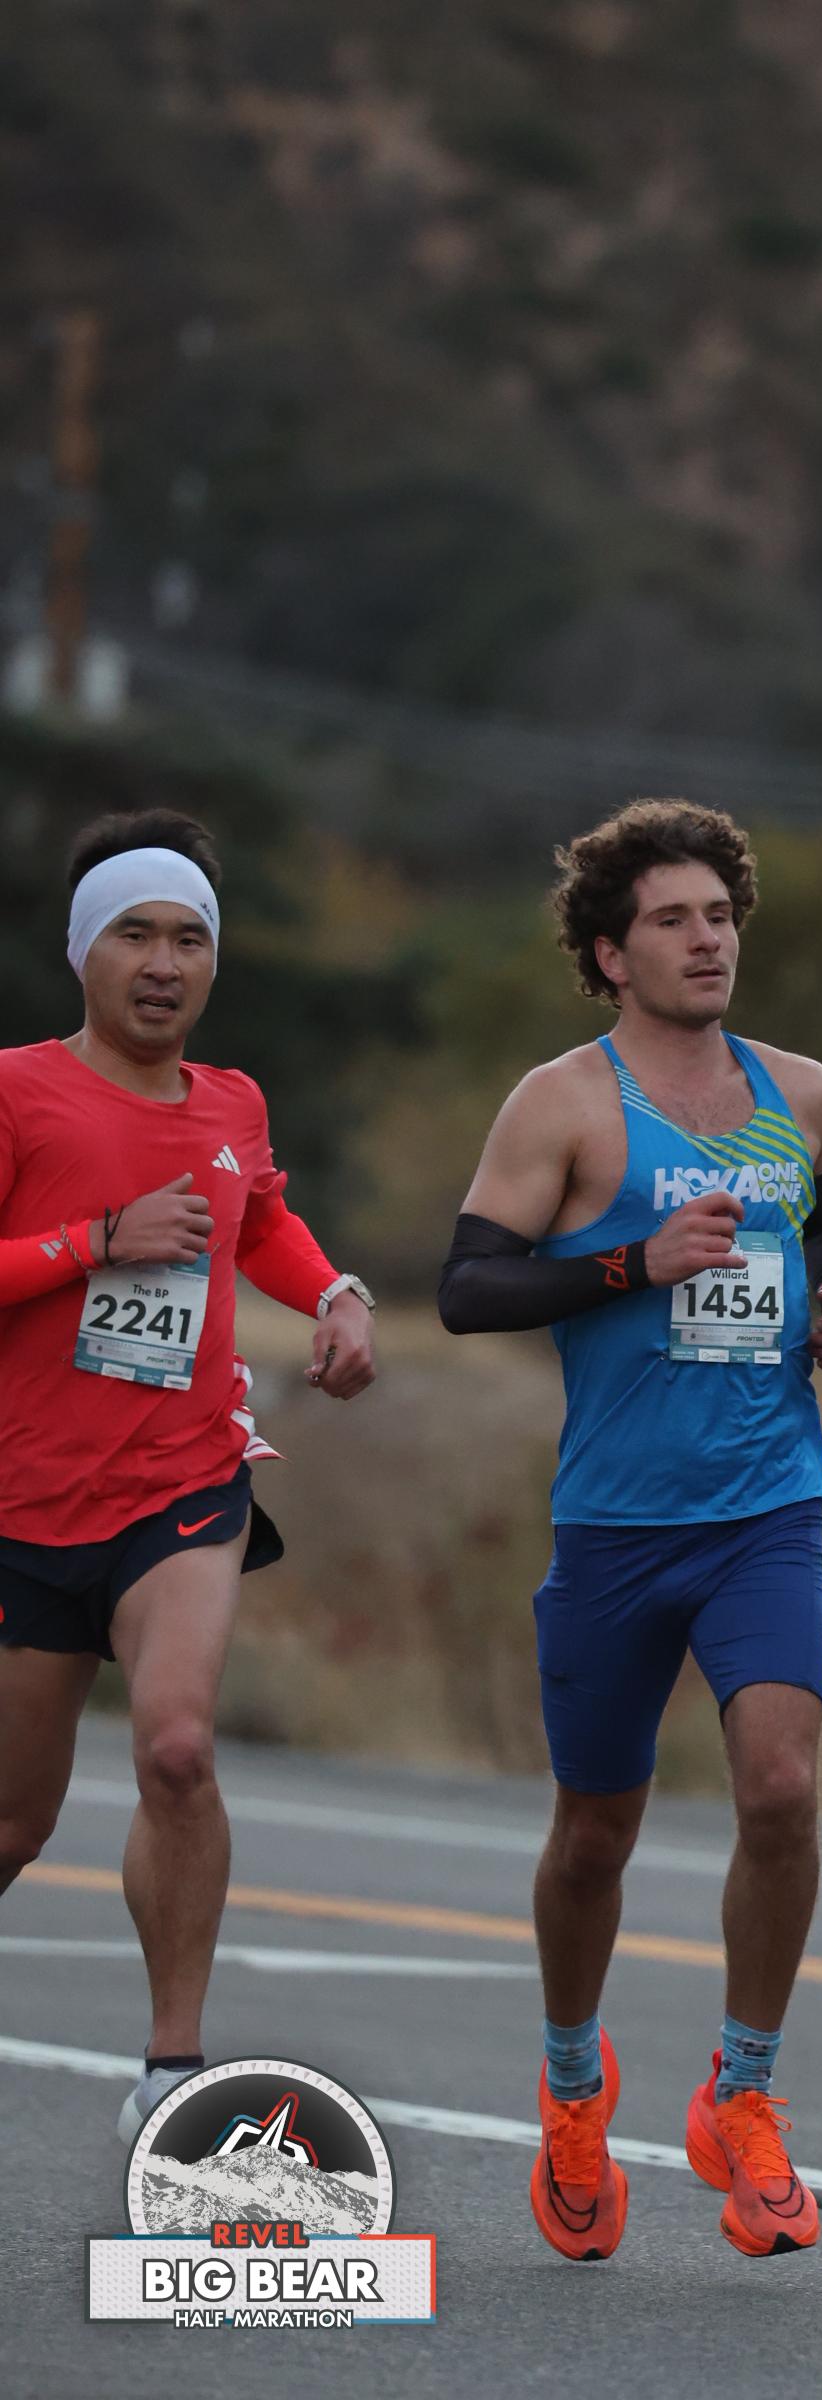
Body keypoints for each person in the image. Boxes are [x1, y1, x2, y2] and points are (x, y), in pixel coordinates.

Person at [439, 798, 822, 2263]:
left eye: (722, 915)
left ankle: (742, 2096)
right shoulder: (563, 1104)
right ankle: (574, 2089)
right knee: (592, 1838)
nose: (709, 940)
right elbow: (468, 1288)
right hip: (618, 1523)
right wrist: (634, 1262)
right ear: (611, 954)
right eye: (675, 921)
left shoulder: (800, 1092)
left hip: (768, 1506)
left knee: (782, 1790)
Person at [0, 809, 377, 2141]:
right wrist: (95, 1238)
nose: (165, 964)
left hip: (183, 1485)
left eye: (190, 940)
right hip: (25, 1504)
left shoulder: (232, 1103)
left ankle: (172, 2066)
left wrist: (332, 1292)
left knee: (175, 1748)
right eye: (136, 935)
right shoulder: (18, 1091)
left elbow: (259, 1221)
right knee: (13, 1826)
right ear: (84, 954)